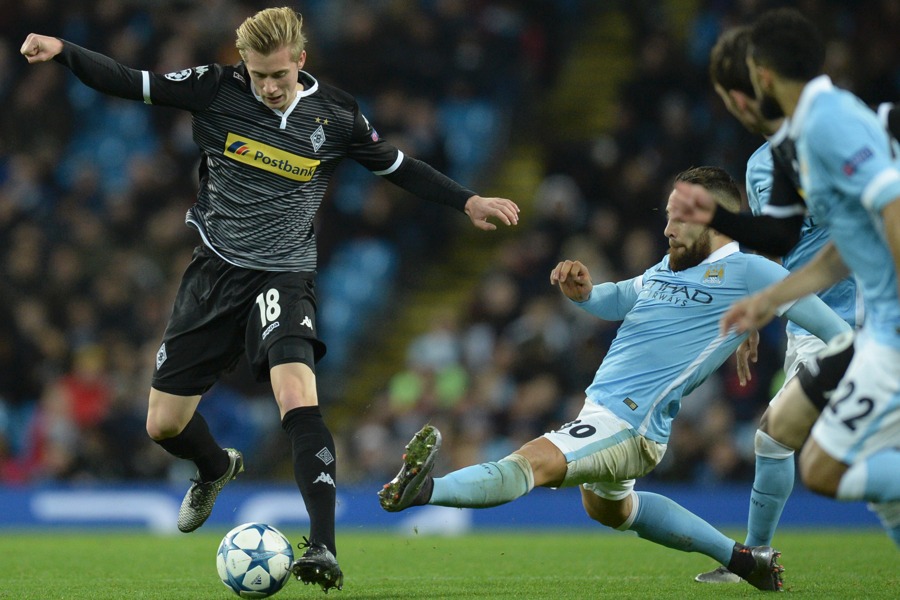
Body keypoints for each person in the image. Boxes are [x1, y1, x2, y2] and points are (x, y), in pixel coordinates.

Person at [20, 6, 520, 592]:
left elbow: (398, 167)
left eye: (278, 75)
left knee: (296, 397)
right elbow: (132, 82)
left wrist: (468, 201)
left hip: (283, 276)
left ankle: (325, 548)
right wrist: (64, 49)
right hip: (213, 274)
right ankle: (214, 467)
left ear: (300, 60)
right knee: (163, 424)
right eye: (258, 75)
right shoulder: (215, 89)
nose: (269, 87)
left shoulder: (336, 113)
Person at [379, 166, 854, 592]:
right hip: (606, 410)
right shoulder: (669, 266)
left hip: (631, 422)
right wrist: (584, 293)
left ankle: (426, 490)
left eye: (679, 218)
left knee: (531, 462)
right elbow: (620, 298)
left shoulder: (752, 272)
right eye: (667, 215)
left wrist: (813, 393)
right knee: (611, 510)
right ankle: (743, 560)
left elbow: (837, 333)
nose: (666, 228)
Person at [718, 8, 900, 547]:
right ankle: (755, 553)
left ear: (762, 75)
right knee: (797, 445)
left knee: (825, 465)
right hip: (859, 327)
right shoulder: (791, 148)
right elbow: (842, 250)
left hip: (877, 329)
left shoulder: (829, 125)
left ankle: (754, 552)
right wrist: (767, 301)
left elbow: (891, 207)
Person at [692, 26, 860, 584]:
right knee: (784, 438)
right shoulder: (764, 164)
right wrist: (757, 317)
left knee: (784, 438)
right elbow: (778, 251)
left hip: (858, 315)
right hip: (811, 320)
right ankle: (754, 559)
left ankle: (753, 559)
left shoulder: (835, 137)